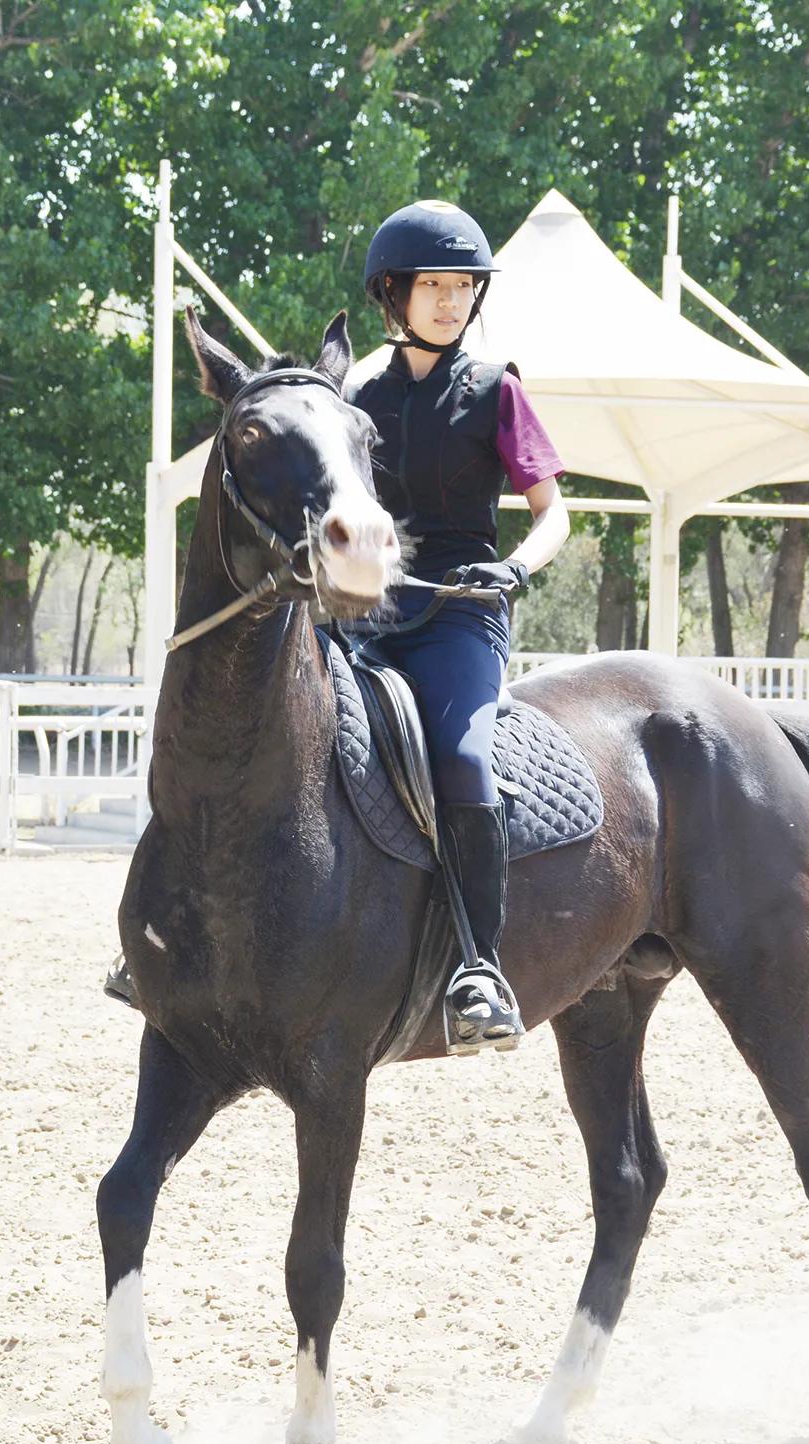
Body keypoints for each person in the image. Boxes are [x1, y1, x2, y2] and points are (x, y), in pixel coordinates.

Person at [345, 200, 572, 1053]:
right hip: (365, 609)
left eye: (463, 286)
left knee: (464, 754)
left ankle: (480, 966)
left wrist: (515, 565)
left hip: (459, 615)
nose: (450, 300)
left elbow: (555, 511)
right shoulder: (356, 394)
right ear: (393, 294)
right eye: (433, 285)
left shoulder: (494, 390)